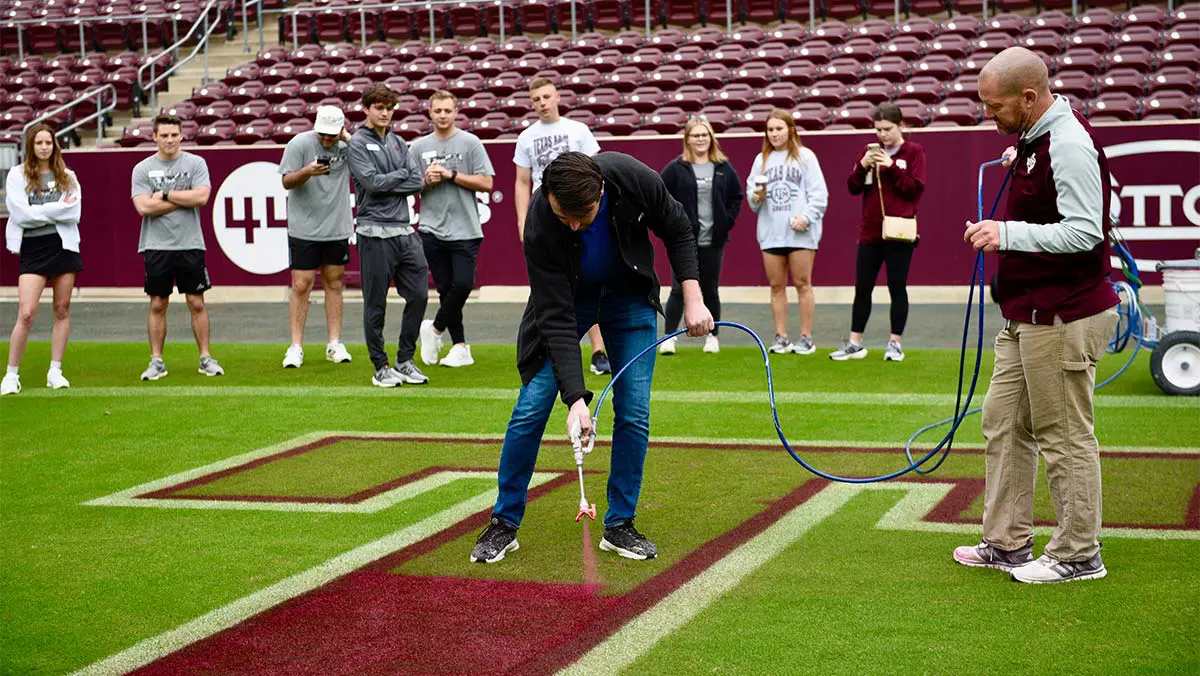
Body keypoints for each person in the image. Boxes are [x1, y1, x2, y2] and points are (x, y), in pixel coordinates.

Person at [470, 151, 713, 564]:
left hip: (630, 299)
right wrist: (576, 399)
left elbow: (678, 228)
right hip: (568, 302)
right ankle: (504, 523)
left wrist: (692, 297)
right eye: (565, 216)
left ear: (601, 189)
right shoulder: (541, 221)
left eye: (583, 216)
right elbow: (555, 316)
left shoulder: (633, 176)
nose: (574, 225)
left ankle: (620, 525)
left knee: (634, 411)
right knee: (531, 407)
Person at [956, 46, 1120, 584]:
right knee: (1003, 422)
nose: (989, 116)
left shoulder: (1068, 142)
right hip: (1026, 312)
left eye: (996, 106)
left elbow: (1085, 231)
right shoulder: (1035, 139)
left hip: (1062, 314)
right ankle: (1006, 542)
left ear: (1029, 98)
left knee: (1064, 432)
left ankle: (1078, 554)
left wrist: (1005, 232)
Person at [512, 77, 611, 376]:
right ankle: (551, 350)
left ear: (557, 97)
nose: (542, 103)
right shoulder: (526, 137)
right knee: (551, 287)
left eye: (546, 97)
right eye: (536, 100)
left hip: (579, 215)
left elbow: (596, 171)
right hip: (547, 218)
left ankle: (598, 350)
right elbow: (522, 181)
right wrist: (521, 220)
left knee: (589, 280)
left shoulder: (577, 130)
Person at [346, 84, 430, 388]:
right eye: (379, 107)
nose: (385, 112)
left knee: (420, 295)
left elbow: (416, 183)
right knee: (376, 303)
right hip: (373, 233)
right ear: (367, 109)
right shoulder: (356, 143)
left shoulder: (399, 142)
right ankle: (380, 365)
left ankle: (405, 360)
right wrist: (401, 179)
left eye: (389, 107)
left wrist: (394, 181)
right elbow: (370, 183)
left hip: (405, 231)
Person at [831, 102, 927, 363]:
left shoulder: (914, 152)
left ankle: (895, 343)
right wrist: (863, 164)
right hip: (871, 231)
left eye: (888, 129)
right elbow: (852, 187)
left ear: (900, 126)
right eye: (878, 130)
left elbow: (914, 189)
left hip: (900, 231)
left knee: (897, 287)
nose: (883, 134)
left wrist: (892, 165)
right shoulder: (869, 152)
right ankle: (855, 342)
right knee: (862, 288)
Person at [131, 114, 222, 381]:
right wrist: (185, 199)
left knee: (196, 302)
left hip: (189, 243)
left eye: (174, 135)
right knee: (158, 303)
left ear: (181, 135)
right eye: (164, 135)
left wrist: (167, 195)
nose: (170, 140)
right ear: (155, 137)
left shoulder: (196, 163)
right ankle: (156, 361)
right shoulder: (142, 168)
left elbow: (202, 196)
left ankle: (206, 358)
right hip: (155, 245)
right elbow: (143, 206)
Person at [412, 90, 495, 368]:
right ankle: (460, 346)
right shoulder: (418, 147)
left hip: (466, 228)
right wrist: (426, 180)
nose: (443, 116)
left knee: (462, 284)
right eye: (438, 111)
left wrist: (451, 175)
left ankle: (434, 329)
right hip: (431, 227)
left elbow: (487, 183)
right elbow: (409, 186)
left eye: (448, 110)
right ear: (430, 113)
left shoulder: (470, 143)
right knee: (447, 289)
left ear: (456, 111)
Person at [2, 124, 83, 395]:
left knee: (62, 309)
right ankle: (11, 375)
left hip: (63, 246)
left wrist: (41, 210)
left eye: (48, 142)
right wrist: (54, 210)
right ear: (31, 146)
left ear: (54, 145)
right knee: (26, 313)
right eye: (39, 143)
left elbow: (73, 213)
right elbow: (20, 214)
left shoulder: (67, 176)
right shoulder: (17, 175)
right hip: (33, 247)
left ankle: (55, 371)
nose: (44, 147)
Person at [658, 116, 743, 355]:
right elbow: (661, 196)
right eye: (695, 135)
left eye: (704, 135)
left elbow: (736, 197)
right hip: (684, 242)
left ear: (711, 138)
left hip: (713, 241)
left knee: (710, 289)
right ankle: (669, 337)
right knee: (677, 289)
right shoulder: (676, 168)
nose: (700, 139)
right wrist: (672, 225)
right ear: (687, 139)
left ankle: (713, 336)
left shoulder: (723, 167)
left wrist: (726, 222)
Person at [278, 104, 355, 369]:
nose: (326, 139)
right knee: (301, 285)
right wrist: (307, 172)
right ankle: (296, 346)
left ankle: (334, 343)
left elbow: (371, 162)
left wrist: (349, 140)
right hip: (304, 227)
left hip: (336, 225)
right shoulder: (299, 144)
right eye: (322, 133)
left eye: (331, 135)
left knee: (334, 283)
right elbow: (286, 181)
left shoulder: (348, 147)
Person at [746, 109, 828, 356]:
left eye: (779, 128)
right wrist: (757, 196)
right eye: (770, 130)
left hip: (801, 233)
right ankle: (781, 336)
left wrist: (806, 217)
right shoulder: (761, 160)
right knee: (776, 285)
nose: (774, 134)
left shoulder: (805, 157)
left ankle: (806, 337)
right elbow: (753, 203)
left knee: (803, 283)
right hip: (771, 232)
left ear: (790, 130)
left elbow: (819, 195)